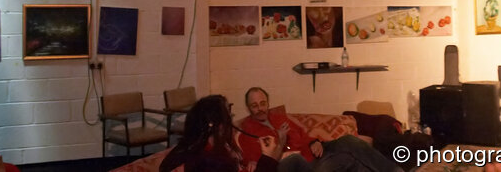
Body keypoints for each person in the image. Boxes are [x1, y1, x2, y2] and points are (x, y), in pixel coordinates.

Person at [238, 87, 399, 172]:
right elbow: (258, 164)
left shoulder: (279, 117)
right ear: (248, 108)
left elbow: (302, 134)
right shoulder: (247, 132)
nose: (260, 108)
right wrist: (280, 142)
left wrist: (314, 141)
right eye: (254, 105)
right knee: (344, 160)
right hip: (298, 166)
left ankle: (394, 170)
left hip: (313, 154)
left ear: (267, 103)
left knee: (349, 141)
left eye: (263, 103)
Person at [160, 94, 280, 172]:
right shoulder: (210, 159)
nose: (230, 116)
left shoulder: (202, 145)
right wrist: (268, 158)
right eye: (227, 112)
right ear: (216, 123)